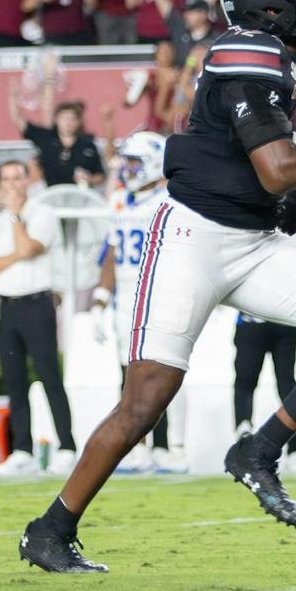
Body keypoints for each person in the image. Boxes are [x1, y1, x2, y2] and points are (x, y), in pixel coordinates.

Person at [19, 0, 296, 573]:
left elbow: (284, 183)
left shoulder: (289, 58)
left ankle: (260, 449)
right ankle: (50, 529)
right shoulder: (241, 52)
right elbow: (276, 169)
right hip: (192, 237)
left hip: (256, 240)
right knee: (145, 400)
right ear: (266, 8)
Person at [87, 132, 184, 472]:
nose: (128, 169)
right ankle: (138, 446)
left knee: (163, 370)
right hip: (126, 295)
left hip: (159, 291)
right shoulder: (118, 201)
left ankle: (170, 446)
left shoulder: (170, 200)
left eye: (134, 162)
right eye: (126, 162)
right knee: (128, 374)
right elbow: (112, 253)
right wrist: (100, 299)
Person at [0, 160, 78, 476]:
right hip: (5, 305)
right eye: (5, 179)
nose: (10, 185)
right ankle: (22, 449)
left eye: (16, 178)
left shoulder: (42, 214)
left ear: (27, 181)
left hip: (37, 304)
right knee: (14, 379)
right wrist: (15, 255)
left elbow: (30, 247)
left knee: (49, 375)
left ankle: (67, 446)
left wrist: (18, 217)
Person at [232, 315, 296, 471]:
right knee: (246, 381)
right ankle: (244, 437)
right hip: (256, 321)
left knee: (286, 385)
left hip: (282, 320)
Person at [10, 89, 106, 187]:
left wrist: (89, 179)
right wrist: (13, 98)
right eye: (64, 118)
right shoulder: (46, 138)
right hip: (51, 196)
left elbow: (101, 175)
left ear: (78, 122)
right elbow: (20, 123)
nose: (68, 123)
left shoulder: (87, 145)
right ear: (56, 120)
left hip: (78, 197)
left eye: (72, 119)